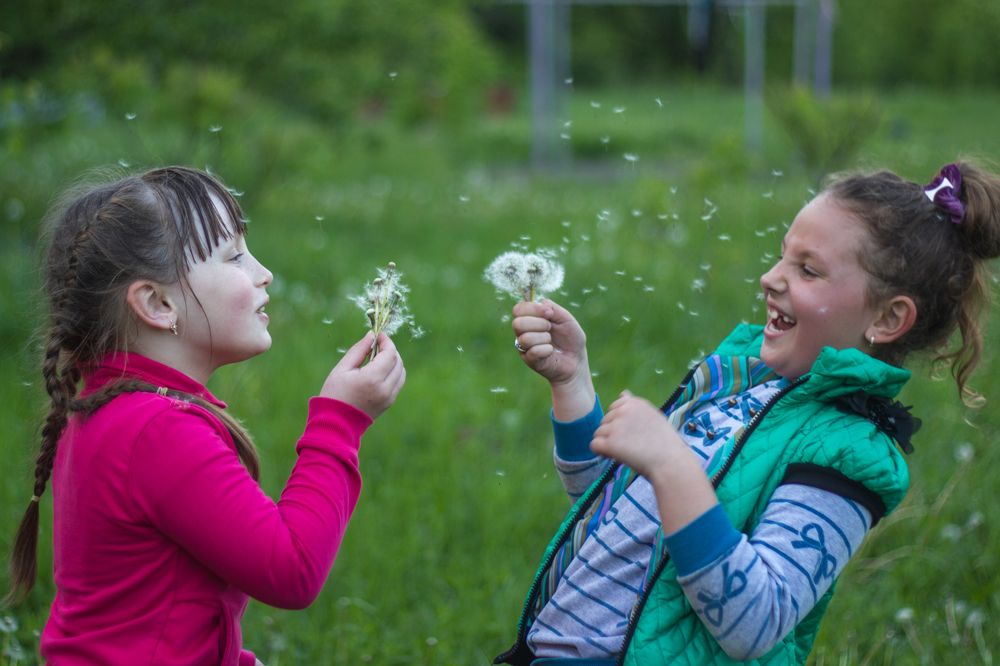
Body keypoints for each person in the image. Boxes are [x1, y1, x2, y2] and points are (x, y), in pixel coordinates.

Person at [496, 161, 1000, 665]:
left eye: (808, 269)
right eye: (781, 257)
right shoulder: (739, 390)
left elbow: (754, 622)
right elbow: (605, 513)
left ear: (888, 317)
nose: (770, 278)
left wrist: (672, 465)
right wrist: (573, 381)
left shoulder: (849, 455)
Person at [5, 166, 406, 665]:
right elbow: (292, 570)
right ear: (157, 303)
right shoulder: (157, 431)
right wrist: (341, 421)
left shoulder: (108, 409)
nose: (264, 272)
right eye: (234, 257)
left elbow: (142, 610)